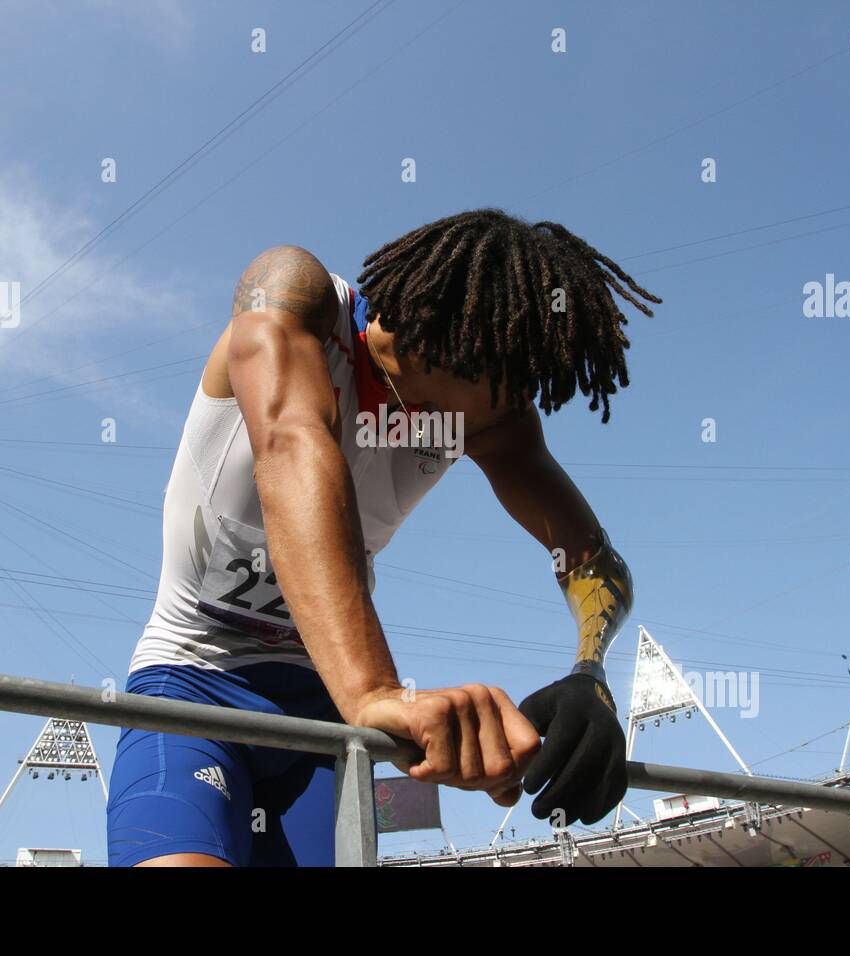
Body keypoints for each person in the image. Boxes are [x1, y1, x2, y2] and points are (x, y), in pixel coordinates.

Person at [106, 208, 661, 866]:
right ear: (456, 344)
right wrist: (374, 691)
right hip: (194, 674)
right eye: (510, 385)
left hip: (320, 713)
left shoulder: (488, 417)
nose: (516, 409)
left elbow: (596, 560)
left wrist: (589, 673)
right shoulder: (296, 293)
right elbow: (291, 448)